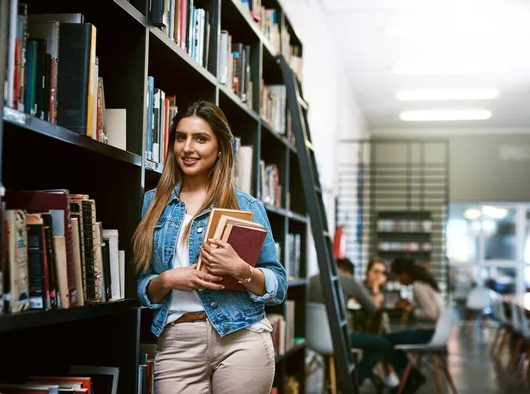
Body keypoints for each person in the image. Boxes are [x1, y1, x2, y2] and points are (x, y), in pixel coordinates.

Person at [133, 100, 288, 393]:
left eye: (200, 139)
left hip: (241, 338)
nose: (187, 148)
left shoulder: (246, 206)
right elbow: (143, 285)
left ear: (220, 149)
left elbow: (278, 286)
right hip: (177, 341)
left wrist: (241, 270)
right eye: (181, 137)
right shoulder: (152, 203)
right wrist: (167, 280)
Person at [308, 257, 389, 393]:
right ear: (348, 272)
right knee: (382, 344)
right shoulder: (348, 280)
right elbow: (373, 309)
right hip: (339, 339)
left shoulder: (312, 279)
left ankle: (334, 383)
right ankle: (352, 382)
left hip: (312, 340)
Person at [385, 257, 444, 393]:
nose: (399, 281)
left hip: (429, 334)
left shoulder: (418, 286)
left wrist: (410, 310)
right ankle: (411, 376)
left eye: (398, 277)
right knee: (391, 339)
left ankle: (411, 377)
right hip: (436, 333)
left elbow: (431, 314)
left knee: (386, 340)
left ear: (404, 273)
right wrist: (413, 306)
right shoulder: (427, 283)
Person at [363, 258, 399, 388]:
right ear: (367, 272)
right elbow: (372, 307)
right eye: (375, 271)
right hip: (359, 327)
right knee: (385, 334)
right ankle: (389, 371)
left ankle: (388, 372)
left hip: (373, 329)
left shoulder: (382, 292)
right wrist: (375, 288)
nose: (379, 276)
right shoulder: (360, 287)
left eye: (382, 273)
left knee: (383, 321)